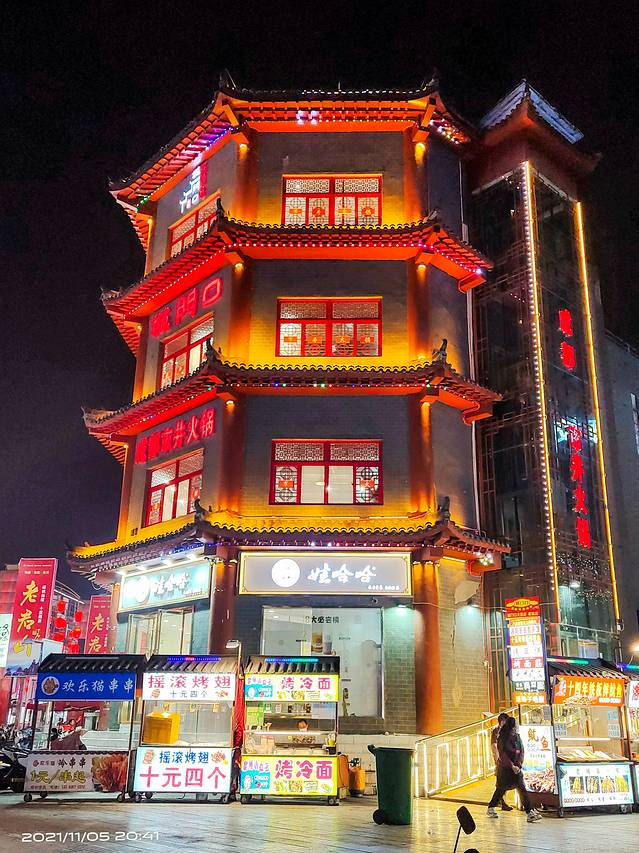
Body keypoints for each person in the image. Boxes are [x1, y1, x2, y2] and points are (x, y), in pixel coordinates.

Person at [487, 716, 541, 823]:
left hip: (516, 769)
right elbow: (503, 754)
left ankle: (530, 812)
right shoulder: (502, 737)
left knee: (522, 789)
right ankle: (491, 807)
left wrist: (518, 765)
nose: (516, 727)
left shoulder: (517, 737)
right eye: (515, 726)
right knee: (501, 789)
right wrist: (511, 766)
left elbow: (521, 751)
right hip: (505, 769)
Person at [490, 713, 513, 811]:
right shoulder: (496, 731)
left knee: (502, 782)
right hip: (501, 761)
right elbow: (494, 745)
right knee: (501, 783)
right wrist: (497, 760)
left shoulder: (507, 731)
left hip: (506, 760)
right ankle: (499, 803)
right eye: (505, 721)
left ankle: (500, 802)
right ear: (501, 721)